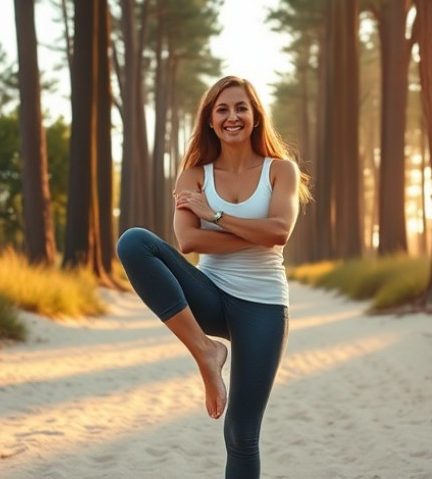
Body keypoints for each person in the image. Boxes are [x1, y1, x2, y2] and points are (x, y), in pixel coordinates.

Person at [116, 75, 311, 478]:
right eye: (222, 109)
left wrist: (215, 216)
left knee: (240, 434)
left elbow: (280, 232)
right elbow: (187, 242)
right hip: (210, 295)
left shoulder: (281, 171)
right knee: (134, 242)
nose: (232, 116)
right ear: (209, 120)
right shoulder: (194, 175)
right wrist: (256, 235)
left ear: (256, 117)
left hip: (264, 307)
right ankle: (206, 351)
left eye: (241, 108)